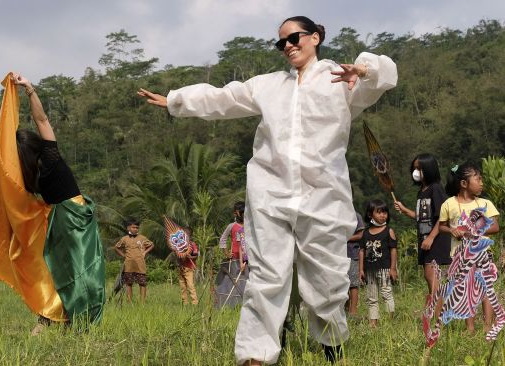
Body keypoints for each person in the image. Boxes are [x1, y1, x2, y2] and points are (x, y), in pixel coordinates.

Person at [138, 15, 397, 365]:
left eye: (295, 37)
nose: (288, 46)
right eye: (281, 42)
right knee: (266, 276)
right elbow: (223, 98)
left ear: (316, 37)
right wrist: (174, 100)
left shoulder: (341, 79)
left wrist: (364, 71)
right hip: (270, 195)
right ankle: (255, 355)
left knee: (326, 282)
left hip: (323, 198)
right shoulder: (270, 85)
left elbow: (386, 75)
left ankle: (333, 344)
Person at [0, 73, 106, 336]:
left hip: (56, 219)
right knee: (84, 269)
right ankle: (73, 322)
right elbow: (41, 119)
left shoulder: (28, 178)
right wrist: (30, 90)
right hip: (74, 215)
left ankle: (51, 318)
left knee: (59, 269)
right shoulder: (51, 159)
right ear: (36, 146)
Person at [438, 162, 499, 334]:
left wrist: (474, 231)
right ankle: (470, 328)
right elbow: (442, 226)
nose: (481, 183)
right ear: (464, 184)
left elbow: (495, 227)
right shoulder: (449, 204)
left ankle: (488, 327)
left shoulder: (485, 203)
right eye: (478, 179)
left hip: (482, 253)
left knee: (486, 287)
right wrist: (452, 230)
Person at [394, 154, 452, 299]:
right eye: (414, 168)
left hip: (435, 239)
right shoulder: (422, 191)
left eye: (419, 168)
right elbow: (422, 217)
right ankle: (436, 308)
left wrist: (431, 238)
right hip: (425, 239)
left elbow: (443, 217)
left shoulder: (436, 189)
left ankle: (437, 310)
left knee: (431, 275)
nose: (416, 172)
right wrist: (405, 210)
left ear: (429, 169)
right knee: (429, 275)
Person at [359, 199, 397, 328]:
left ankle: (389, 321)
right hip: (369, 269)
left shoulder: (388, 231)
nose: (383, 215)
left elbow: (393, 250)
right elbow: (362, 251)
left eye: (385, 212)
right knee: (371, 297)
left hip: (384, 269)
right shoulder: (365, 233)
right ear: (370, 215)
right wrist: (361, 270)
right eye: (379, 212)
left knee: (386, 293)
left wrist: (393, 268)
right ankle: (373, 322)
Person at [216, 201, 249, 308]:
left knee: (245, 281)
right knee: (233, 282)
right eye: (241, 212)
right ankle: (229, 304)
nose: (244, 214)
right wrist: (226, 253)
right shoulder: (232, 226)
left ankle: (242, 304)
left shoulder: (249, 226)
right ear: (236, 214)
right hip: (234, 259)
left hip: (247, 258)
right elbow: (223, 239)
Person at [114, 218, 154, 303]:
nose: (135, 229)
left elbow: (152, 245)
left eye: (137, 227)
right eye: (133, 227)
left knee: (142, 283)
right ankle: (129, 302)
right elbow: (116, 247)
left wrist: (145, 252)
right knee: (129, 284)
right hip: (128, 265)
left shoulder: (142, 238)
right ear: (128, 228)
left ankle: (142, 303)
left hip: (140, 265)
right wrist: (123, 255)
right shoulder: (124, 239)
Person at [346, 213, 365, 316]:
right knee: (342, 285)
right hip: (338, 255)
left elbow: (360, 235)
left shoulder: (356, 215)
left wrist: (345, 238)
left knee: (353, 284)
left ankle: (353, 312)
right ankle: (345, 309)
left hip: (352, 254)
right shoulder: (335, 213)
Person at [177, 227, 199, 305]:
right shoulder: (178, 245)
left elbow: (196, 256)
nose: (185, 235)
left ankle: (194, 303)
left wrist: (190, 257)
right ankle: (185, 303)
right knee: (183, 287)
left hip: (189, 268)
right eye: (183, 234)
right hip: (180, 268)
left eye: (187, 234)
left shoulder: (192, 245)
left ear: (190, 235)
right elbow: (178, 256)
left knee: (190, 286)